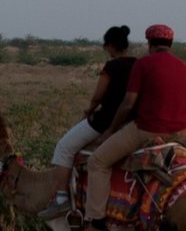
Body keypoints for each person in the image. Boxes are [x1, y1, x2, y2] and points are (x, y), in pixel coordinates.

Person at [70, 24, 186, 231]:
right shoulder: (184, 67)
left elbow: (127, 105)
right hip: (181, 133)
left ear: (150, 43)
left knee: (97, 161)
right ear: (170, 44)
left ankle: (96, 223)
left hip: (147, 129)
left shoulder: (143, 64)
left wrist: (110, 130)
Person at [38, 25, 137, 220]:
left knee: (64, 147)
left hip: (105, 119)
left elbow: (97, 97)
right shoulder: (138, 65)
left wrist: (88, 112)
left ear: (110, 46)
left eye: (106, 46)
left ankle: (61, 198)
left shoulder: (111, 67)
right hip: (132, 121)